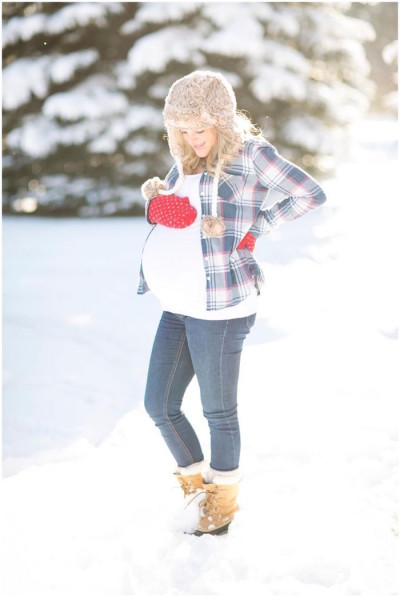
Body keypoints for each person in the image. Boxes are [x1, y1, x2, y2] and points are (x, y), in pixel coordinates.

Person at [138, 71, 326, 536]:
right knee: (159, 405)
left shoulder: (252, 154)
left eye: (199, 129)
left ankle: (219, 508)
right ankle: (197, 487)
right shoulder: (185, 158)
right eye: (181, 130)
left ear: (221, 121)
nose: (191, 138)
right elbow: (180, 208)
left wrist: (257, 226)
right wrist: (160, 204)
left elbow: (310, 193)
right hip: (179, 303)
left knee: (219, 412)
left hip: (221, 307)